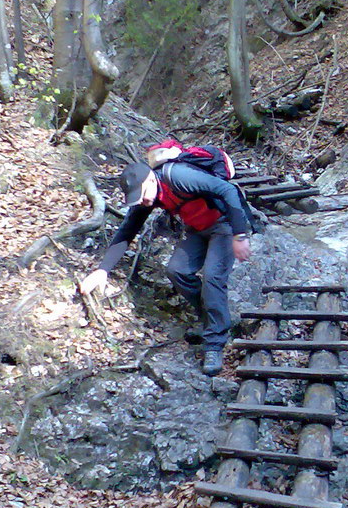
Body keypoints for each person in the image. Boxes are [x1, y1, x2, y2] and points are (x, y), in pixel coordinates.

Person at [80, 160, 252, 375]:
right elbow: (128, 230)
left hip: (225, 224)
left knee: (212, 277)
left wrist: (240, 234)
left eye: (141, 194)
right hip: (197, 228)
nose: (141, 201)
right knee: (177, 271)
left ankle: (214, 344)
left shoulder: (179, 176)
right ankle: (212, 320)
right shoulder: (149, 197)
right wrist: (103, 269)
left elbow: (227, 190)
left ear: (151, 179)